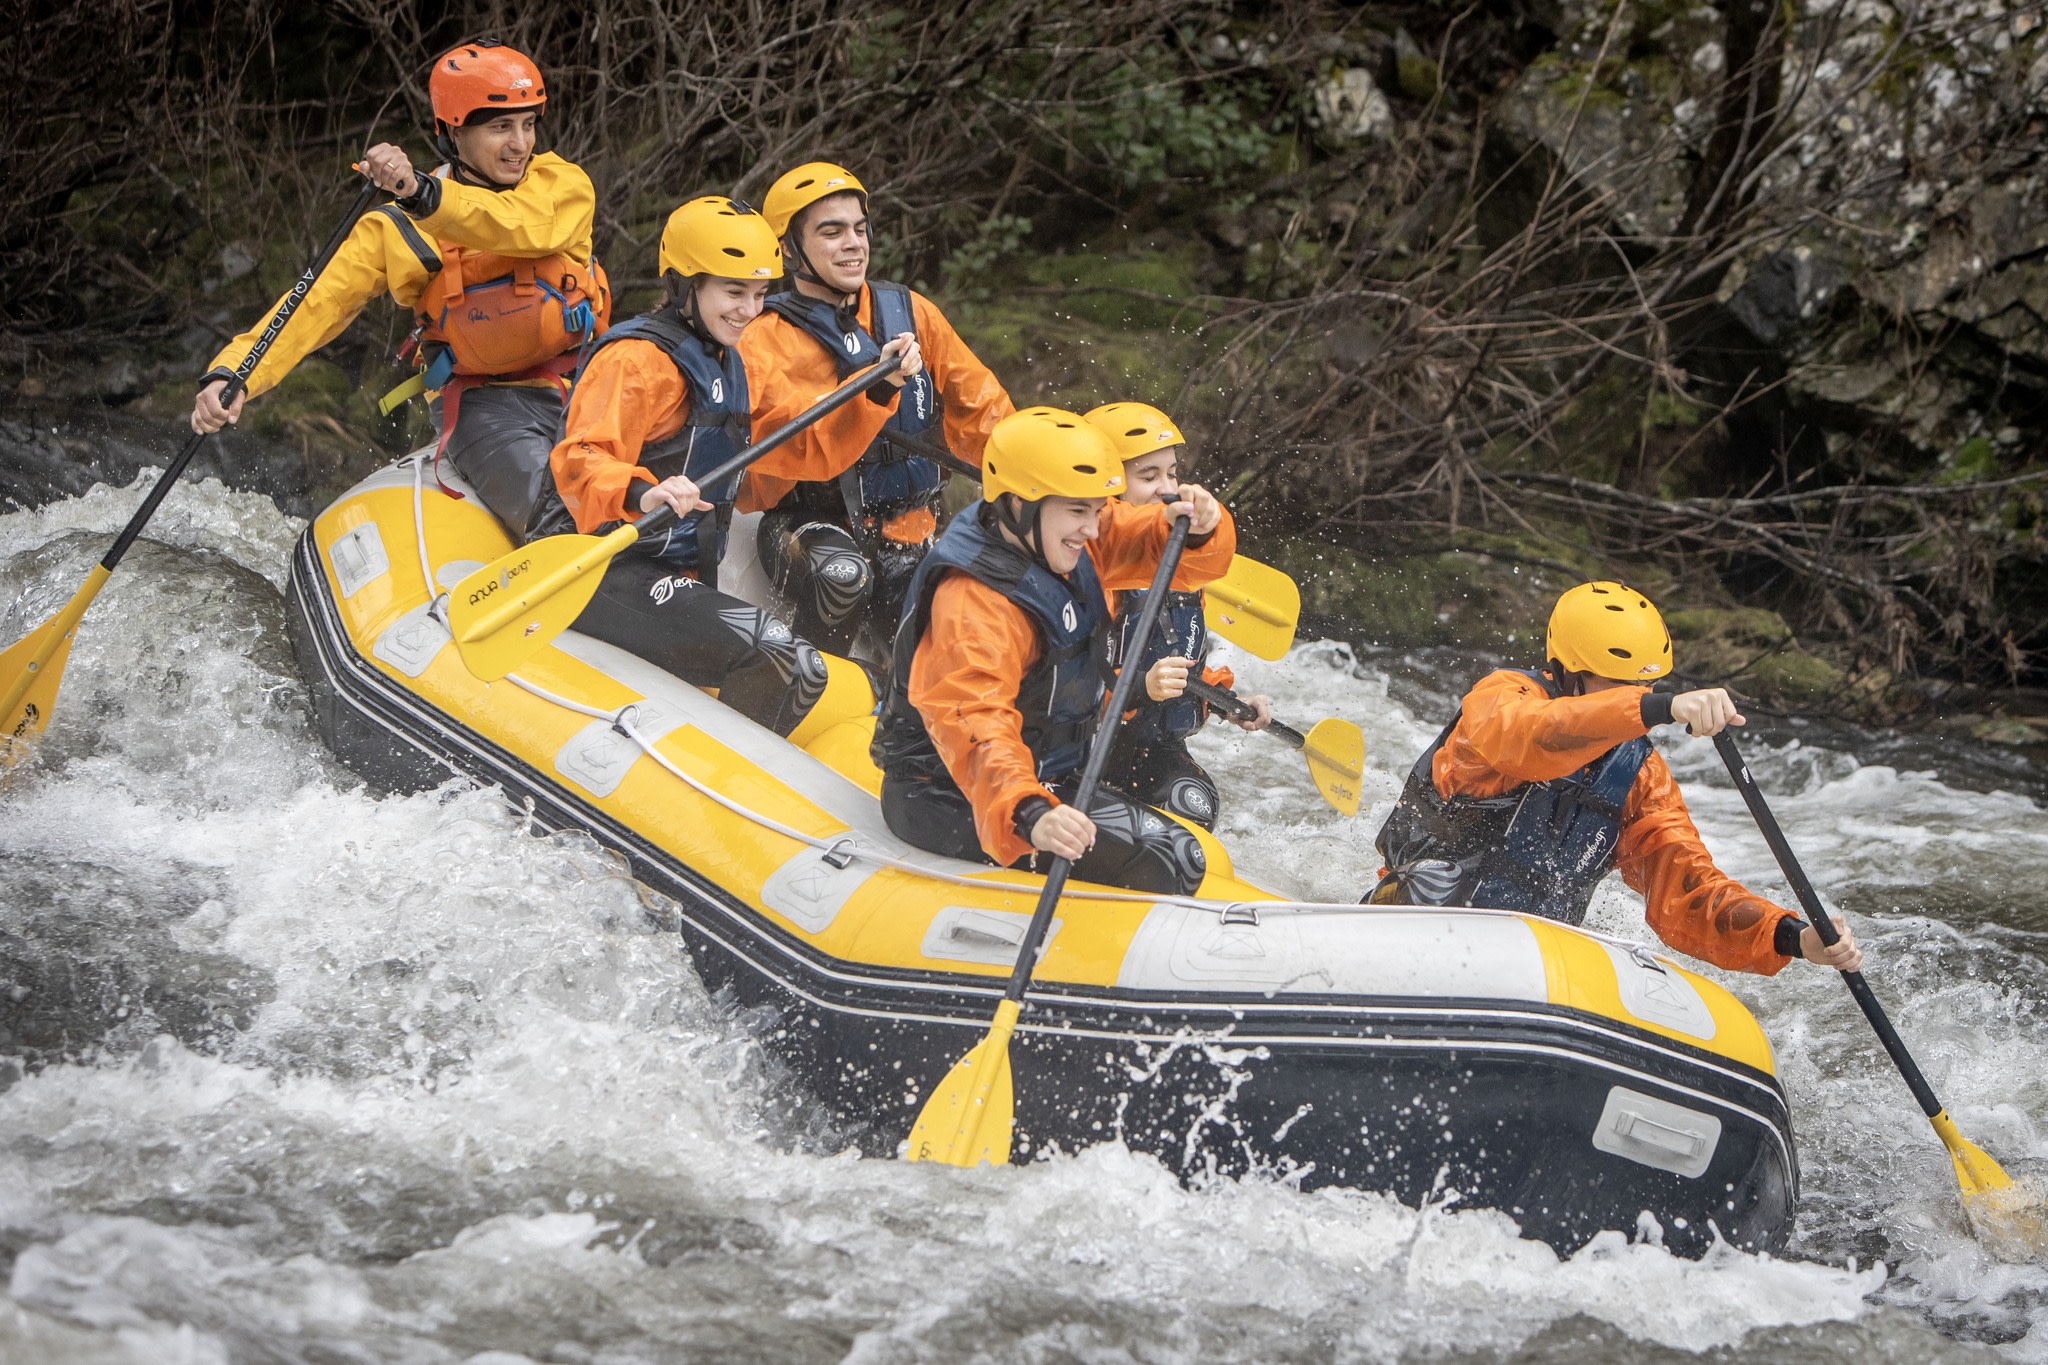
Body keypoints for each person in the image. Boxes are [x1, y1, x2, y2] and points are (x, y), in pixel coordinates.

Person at [194, 40, 609, 540]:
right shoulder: (399, 229)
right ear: (454, 132)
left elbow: (513, 225)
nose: (519, 144)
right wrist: (234, 372)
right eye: (501, 127)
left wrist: (422, 193)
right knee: (566, 521)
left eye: (528, 124)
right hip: (486, 407)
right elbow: (317, 303)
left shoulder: (560, 186)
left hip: (588, 385)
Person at [534, 196, 914, 737]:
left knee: (801, 664)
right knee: (783, 659)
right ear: (687, 286)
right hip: (593, 566)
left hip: (670, 570)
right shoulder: (634, 361)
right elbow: (579, 458)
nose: (749, 310)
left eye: (760, 294)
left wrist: (877, 385)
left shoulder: (731, 363)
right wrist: (644, 491)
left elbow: (801, 441)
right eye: (733, 291)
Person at [1372, 581, 1864, 975]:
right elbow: (1532, 740)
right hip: (1415, 929)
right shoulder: (1502, 700)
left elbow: (1688, 891)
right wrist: (1658, 707)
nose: (1632, 697)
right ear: (1565, 672)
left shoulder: (1639, 776)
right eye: (1617, 682)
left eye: (1644, 685)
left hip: (1526, 967)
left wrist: (1791, 936)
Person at [871, 407, 1238, 896]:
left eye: (1095, 510)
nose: (1092, 528)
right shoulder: (973, 602)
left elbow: (1143, 538)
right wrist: (1028, 811)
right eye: (1077, 511)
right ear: (1019, 505)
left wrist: (1197, 528)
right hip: (949, 795)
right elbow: (975, 723)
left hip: (1045, 776)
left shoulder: (1059, 534)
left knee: (1178, 845)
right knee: (1170, 854)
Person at [737, 161, 1016, 656]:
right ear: (787, 249)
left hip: (911, 535)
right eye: (832, 231)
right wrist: (875, 388)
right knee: (844, 577)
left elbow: (984, 412)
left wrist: (1036, 479)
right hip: (808, 528)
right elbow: (781, 449)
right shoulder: (763, 339)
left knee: (963, 631)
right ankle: (807, 681)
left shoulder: (911, 313)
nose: (854, 243)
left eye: (860, 230)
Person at [1084, 402, 1272, 829]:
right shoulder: (1088, 571)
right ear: (1109, 488)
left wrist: (1228, 701)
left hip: (1155, 750)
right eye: (1148, 477)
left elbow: (1181, 658)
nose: (1166, 487)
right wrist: (1138, 689)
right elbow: (1064, 688)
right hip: (1089, 751)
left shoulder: (1184, 574)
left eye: (1171, 474)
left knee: (1194, 805)